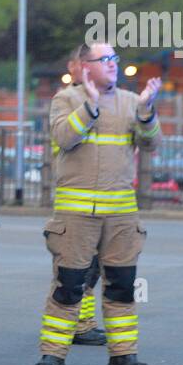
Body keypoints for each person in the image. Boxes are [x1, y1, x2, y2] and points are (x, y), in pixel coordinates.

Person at [34, 41, 160, 365]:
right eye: (104, 59)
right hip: (76, 213)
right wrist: (90, 106)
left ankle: (123, 355)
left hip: (120, 213)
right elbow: (64, 137)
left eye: (114, 58)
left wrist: (147, 111)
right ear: (85, 66)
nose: (112, 64)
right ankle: (53, 354)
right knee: (69, 283)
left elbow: (151, 143)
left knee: (121, 284)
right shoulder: (66, 99)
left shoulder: (132, 102)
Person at [61, 49, 106, 345]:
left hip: (105, 198)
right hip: (78, 199)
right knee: (77, 267)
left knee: (95, 266)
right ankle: (73, 325)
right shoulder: (67, 100)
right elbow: (66, 140)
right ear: (74, 66)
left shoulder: (110, 98)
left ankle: (84, 321)